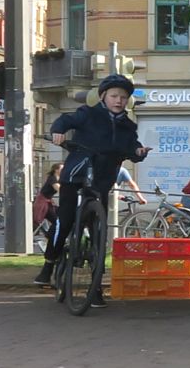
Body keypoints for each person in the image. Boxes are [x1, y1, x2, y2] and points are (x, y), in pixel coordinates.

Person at [36, 75, 152, 298]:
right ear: (103, 97)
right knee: (65, 220)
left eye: (123, 97)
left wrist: (139, 152)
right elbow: (65, 120)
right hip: (76, 175)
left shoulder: (128, 126)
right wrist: (58, 132)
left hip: (102, 179)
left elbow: (132, 147)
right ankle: (49, 264)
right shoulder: (88, 113)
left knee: (99, 232)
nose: (118, 100)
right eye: (114, 96)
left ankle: (96, 286)